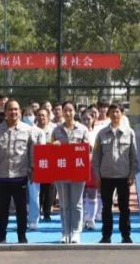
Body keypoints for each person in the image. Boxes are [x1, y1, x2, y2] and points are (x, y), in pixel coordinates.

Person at [0, 100, 34, 244]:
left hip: (20, 176)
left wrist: (32, 168)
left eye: (16, 109)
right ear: (5, 112)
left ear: (20, 111)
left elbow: (32, 151)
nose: (13, 112)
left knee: (21, 209)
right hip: (2, 176)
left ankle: (22, 235)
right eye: (10, 109)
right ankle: (1, 235)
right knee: (2, 209)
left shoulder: (27, 130)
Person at [93, 103, 138, 243]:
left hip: (123, 176)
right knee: (106, 208)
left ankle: (126, 235)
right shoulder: (101, 133)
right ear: (108, 115)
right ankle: (106, 235)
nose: (115, 114)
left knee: (124, 208)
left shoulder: (129, 133)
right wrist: (97, 176)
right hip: (106, 177)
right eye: (112, 112)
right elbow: (96, 157)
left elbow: (133, 156)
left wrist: (132, 175)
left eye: (117, 111)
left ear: (122, 114)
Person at [53, 102, 89, 244]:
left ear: (75, 112)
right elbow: (49, 149)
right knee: (64, 204)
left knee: (76, 203)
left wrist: (78, 146)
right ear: (62, 112)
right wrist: (54, 146)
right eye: (65, 110)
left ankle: (75, 232)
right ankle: (65, 232)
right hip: (61, 170)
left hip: (78, 170)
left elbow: (88, 149)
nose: (68, 113)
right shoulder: (56, 130)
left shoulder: (83, 129)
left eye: (70, 110)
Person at [33, 108, 58, 224]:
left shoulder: (54, 130)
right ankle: (36, 212)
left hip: (50, 163)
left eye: (43, 115)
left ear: (48, 117)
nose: (41, 117)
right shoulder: (32, 130)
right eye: (39, 115)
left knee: (49, 188)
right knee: (38, 189)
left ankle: (47, 212)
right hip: (36, 163)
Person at [81, 106, 102, 231]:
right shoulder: (77, 132)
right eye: (83, 119)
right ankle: (83, 219)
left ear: (93, 119)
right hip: (79, 166)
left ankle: (91, 219)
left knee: (92, 192)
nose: (86, 121)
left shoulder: (97, 133)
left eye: (88, 119)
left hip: (93, 166)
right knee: (81, 193)